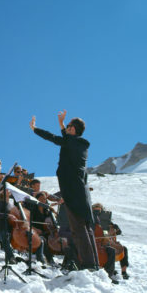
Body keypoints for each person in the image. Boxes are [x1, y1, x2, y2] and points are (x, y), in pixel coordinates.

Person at [30, 110, 99, 271]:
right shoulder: (76, 144)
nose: (66, 128)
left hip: (74, 194)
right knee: (85, 229)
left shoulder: (75, 143)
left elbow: (55, 139)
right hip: (79, 193)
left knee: (79, 229)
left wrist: (35, 129)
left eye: (68, 126)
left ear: (73, 129)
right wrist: (62, 125)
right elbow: (63, 140)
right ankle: (92, 264)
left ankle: (89, 266)